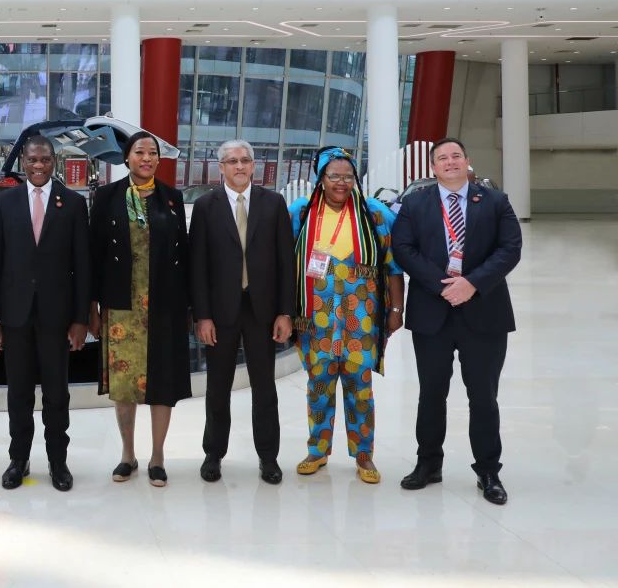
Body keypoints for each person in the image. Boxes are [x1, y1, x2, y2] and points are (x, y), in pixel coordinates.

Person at [392, 137, 522, 505]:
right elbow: (403, 249)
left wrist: (472, 284)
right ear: (432, 167)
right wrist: (442, 286)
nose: (450, 162)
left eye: (456, 156)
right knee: (431, 393)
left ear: (467, 161)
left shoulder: (495, 201)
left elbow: (510, 248)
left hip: (484, 311)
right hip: (432, 312)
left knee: (483, 396)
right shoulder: (415, 203)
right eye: (442, 158)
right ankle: (428, 464)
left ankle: (488, 470)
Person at [287, 147, 404, 484]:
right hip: (315, 319)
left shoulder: (374, 213)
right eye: (334, 176)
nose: (341, 182)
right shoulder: (301, 212)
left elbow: (393, 265)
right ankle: (317, 450)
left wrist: (396, 309)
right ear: (320, 178)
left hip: (361, 319)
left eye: (348, 176)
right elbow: (284, 262)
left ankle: (364, 454)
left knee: (360, 387)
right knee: (318, 385)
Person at [0, 135, 90, 492]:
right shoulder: (5, 202)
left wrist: (80, 319)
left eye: (45, 159)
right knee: (18, 394)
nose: (39, 165)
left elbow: (82, 265)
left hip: (56, 318)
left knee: (57, 395)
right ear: (23, 163)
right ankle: (19, 459)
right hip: (15, 317)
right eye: (32, 160)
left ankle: (58, 462)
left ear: (54, 161)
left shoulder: (73, 203)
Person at [88, 131, 191, 487]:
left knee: (163, 383)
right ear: (127, 157)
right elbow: (94, 254)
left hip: (165, 305)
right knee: (124, 385)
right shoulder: (107, 197)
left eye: (152, 153)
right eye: (139, 152)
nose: (146, 158)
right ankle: (127, 454)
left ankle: (158, 456)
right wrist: (91, 306)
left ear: (158, 160)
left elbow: (184, 255)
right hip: (122, 306)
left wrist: (189, 306)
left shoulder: (172, 198)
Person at [190, 139, 295, 485]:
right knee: (217, 388)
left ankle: (268, 457)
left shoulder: (273, 203)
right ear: (221, 167)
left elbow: (286, 261)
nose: (239, 166)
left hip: (262, 311)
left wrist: (285, 312)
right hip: (220, 313)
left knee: (264, 388)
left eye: (245, 160)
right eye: (232, 161)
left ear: (253, 165)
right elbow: (197, 265)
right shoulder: (205, 206)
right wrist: (202, 316)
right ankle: (213, 454)